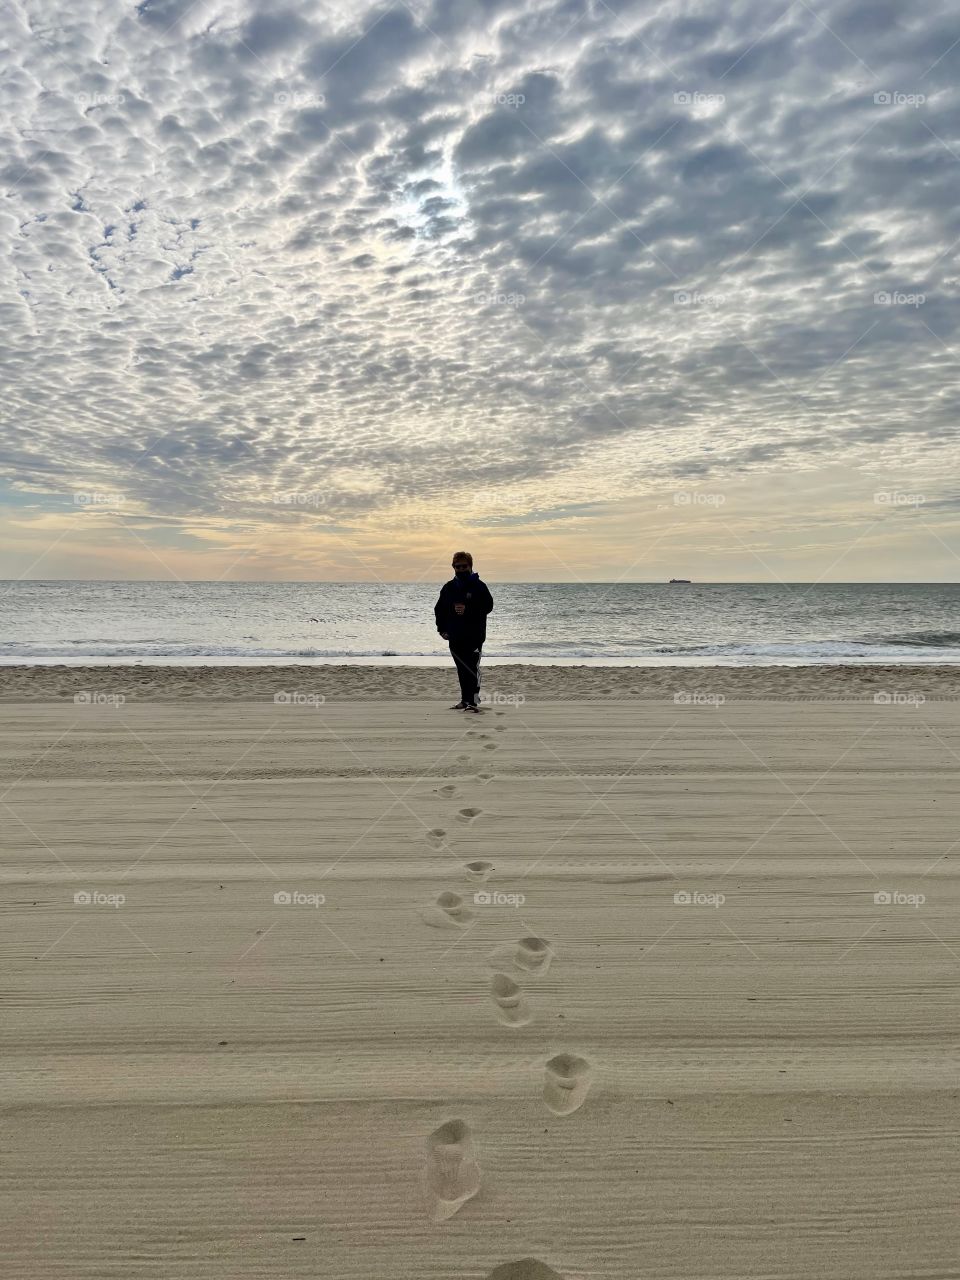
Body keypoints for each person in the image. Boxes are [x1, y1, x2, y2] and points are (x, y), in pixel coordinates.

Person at [434, 551, 494, 711]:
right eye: (458, 566)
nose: (461, 569)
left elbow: (488, 606)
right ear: (453, 567)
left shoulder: (479, 586)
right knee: (461, 669)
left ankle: (473, 702)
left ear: (470, 566)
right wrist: (442, 629)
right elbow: (439, 609)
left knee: (472, 668)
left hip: (475, 635)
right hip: (455, 635)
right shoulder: (449, 587)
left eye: (464, 566)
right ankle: (464, 700)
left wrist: (469, 608)